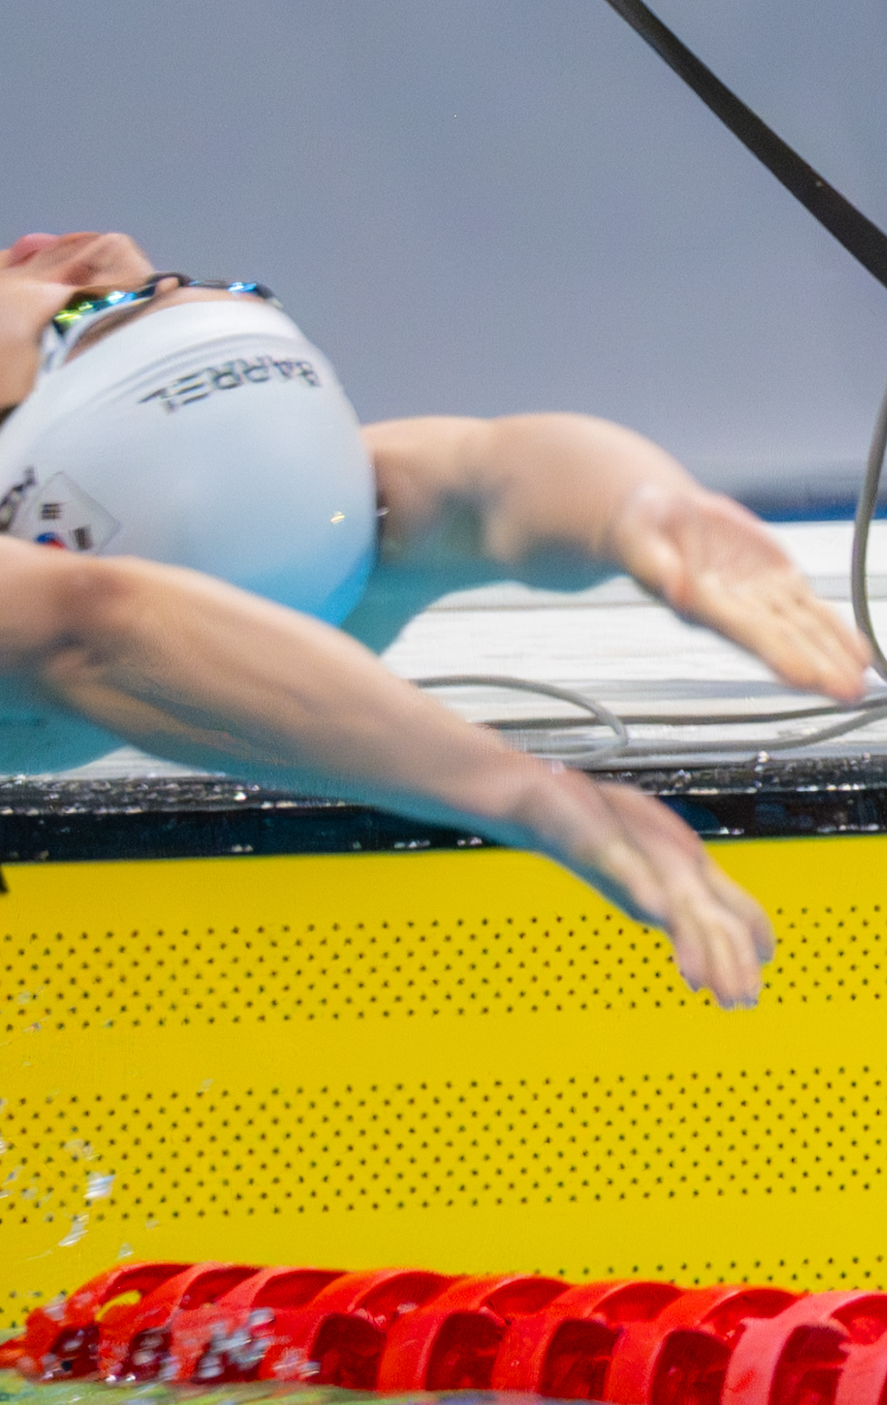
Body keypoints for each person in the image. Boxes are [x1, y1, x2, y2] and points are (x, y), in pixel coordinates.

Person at [0, 241, 828, 1004]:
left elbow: (481, 475)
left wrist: (642, 507)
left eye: (159, 292)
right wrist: (522, 795)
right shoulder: (87, 614)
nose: (107, 263)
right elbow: (105, 628)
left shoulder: (262, 550)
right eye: (83, 312)